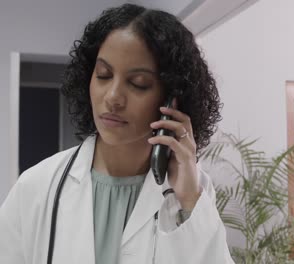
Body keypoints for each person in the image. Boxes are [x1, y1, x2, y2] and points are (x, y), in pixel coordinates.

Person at [0, 3, 234, 264]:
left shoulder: (193, 191)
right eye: (103, 75)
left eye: (138, 84)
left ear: (172, 100)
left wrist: (189, 199)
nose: (112, 97)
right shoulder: (36, 187)